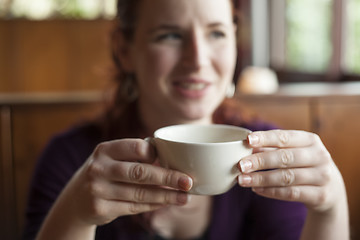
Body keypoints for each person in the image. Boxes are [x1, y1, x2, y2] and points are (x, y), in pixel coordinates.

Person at [23, 0, 349, 239]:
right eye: (170, 36)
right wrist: (76, 214)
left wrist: (331, 207)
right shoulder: (71, 159)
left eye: (217, 33)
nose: (198, 59)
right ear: (125, 50)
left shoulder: (266, 155)